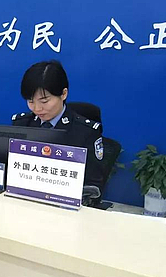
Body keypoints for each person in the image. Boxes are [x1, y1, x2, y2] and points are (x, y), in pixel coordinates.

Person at [11, 60, 105, 193]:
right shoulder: (22, 124)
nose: (37, 108)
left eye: (44, 101)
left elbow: (93, 185)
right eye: (31, 101)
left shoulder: (85, 131)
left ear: (63, 94)